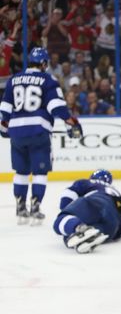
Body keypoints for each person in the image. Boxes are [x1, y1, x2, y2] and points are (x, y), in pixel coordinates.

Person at [0, 47, 82, 225]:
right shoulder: (48, 80)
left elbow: (4, 110)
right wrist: (71, 121)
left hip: (17, 133)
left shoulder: (13, 80)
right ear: (44, 63)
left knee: (21, 171)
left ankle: (20, 206)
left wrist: (5, 130)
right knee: (39, 171)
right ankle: (35, 205)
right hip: (38, 131)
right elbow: (56, 107)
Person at [52, 169, 121, 254]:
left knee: (61, 221)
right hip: (113, 223)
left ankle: (80, 228)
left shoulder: (89, 182)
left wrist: (67, 211)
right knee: (75, 236)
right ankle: (87, 236)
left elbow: (68, 193)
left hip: (95, 203)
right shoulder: (116, 192)